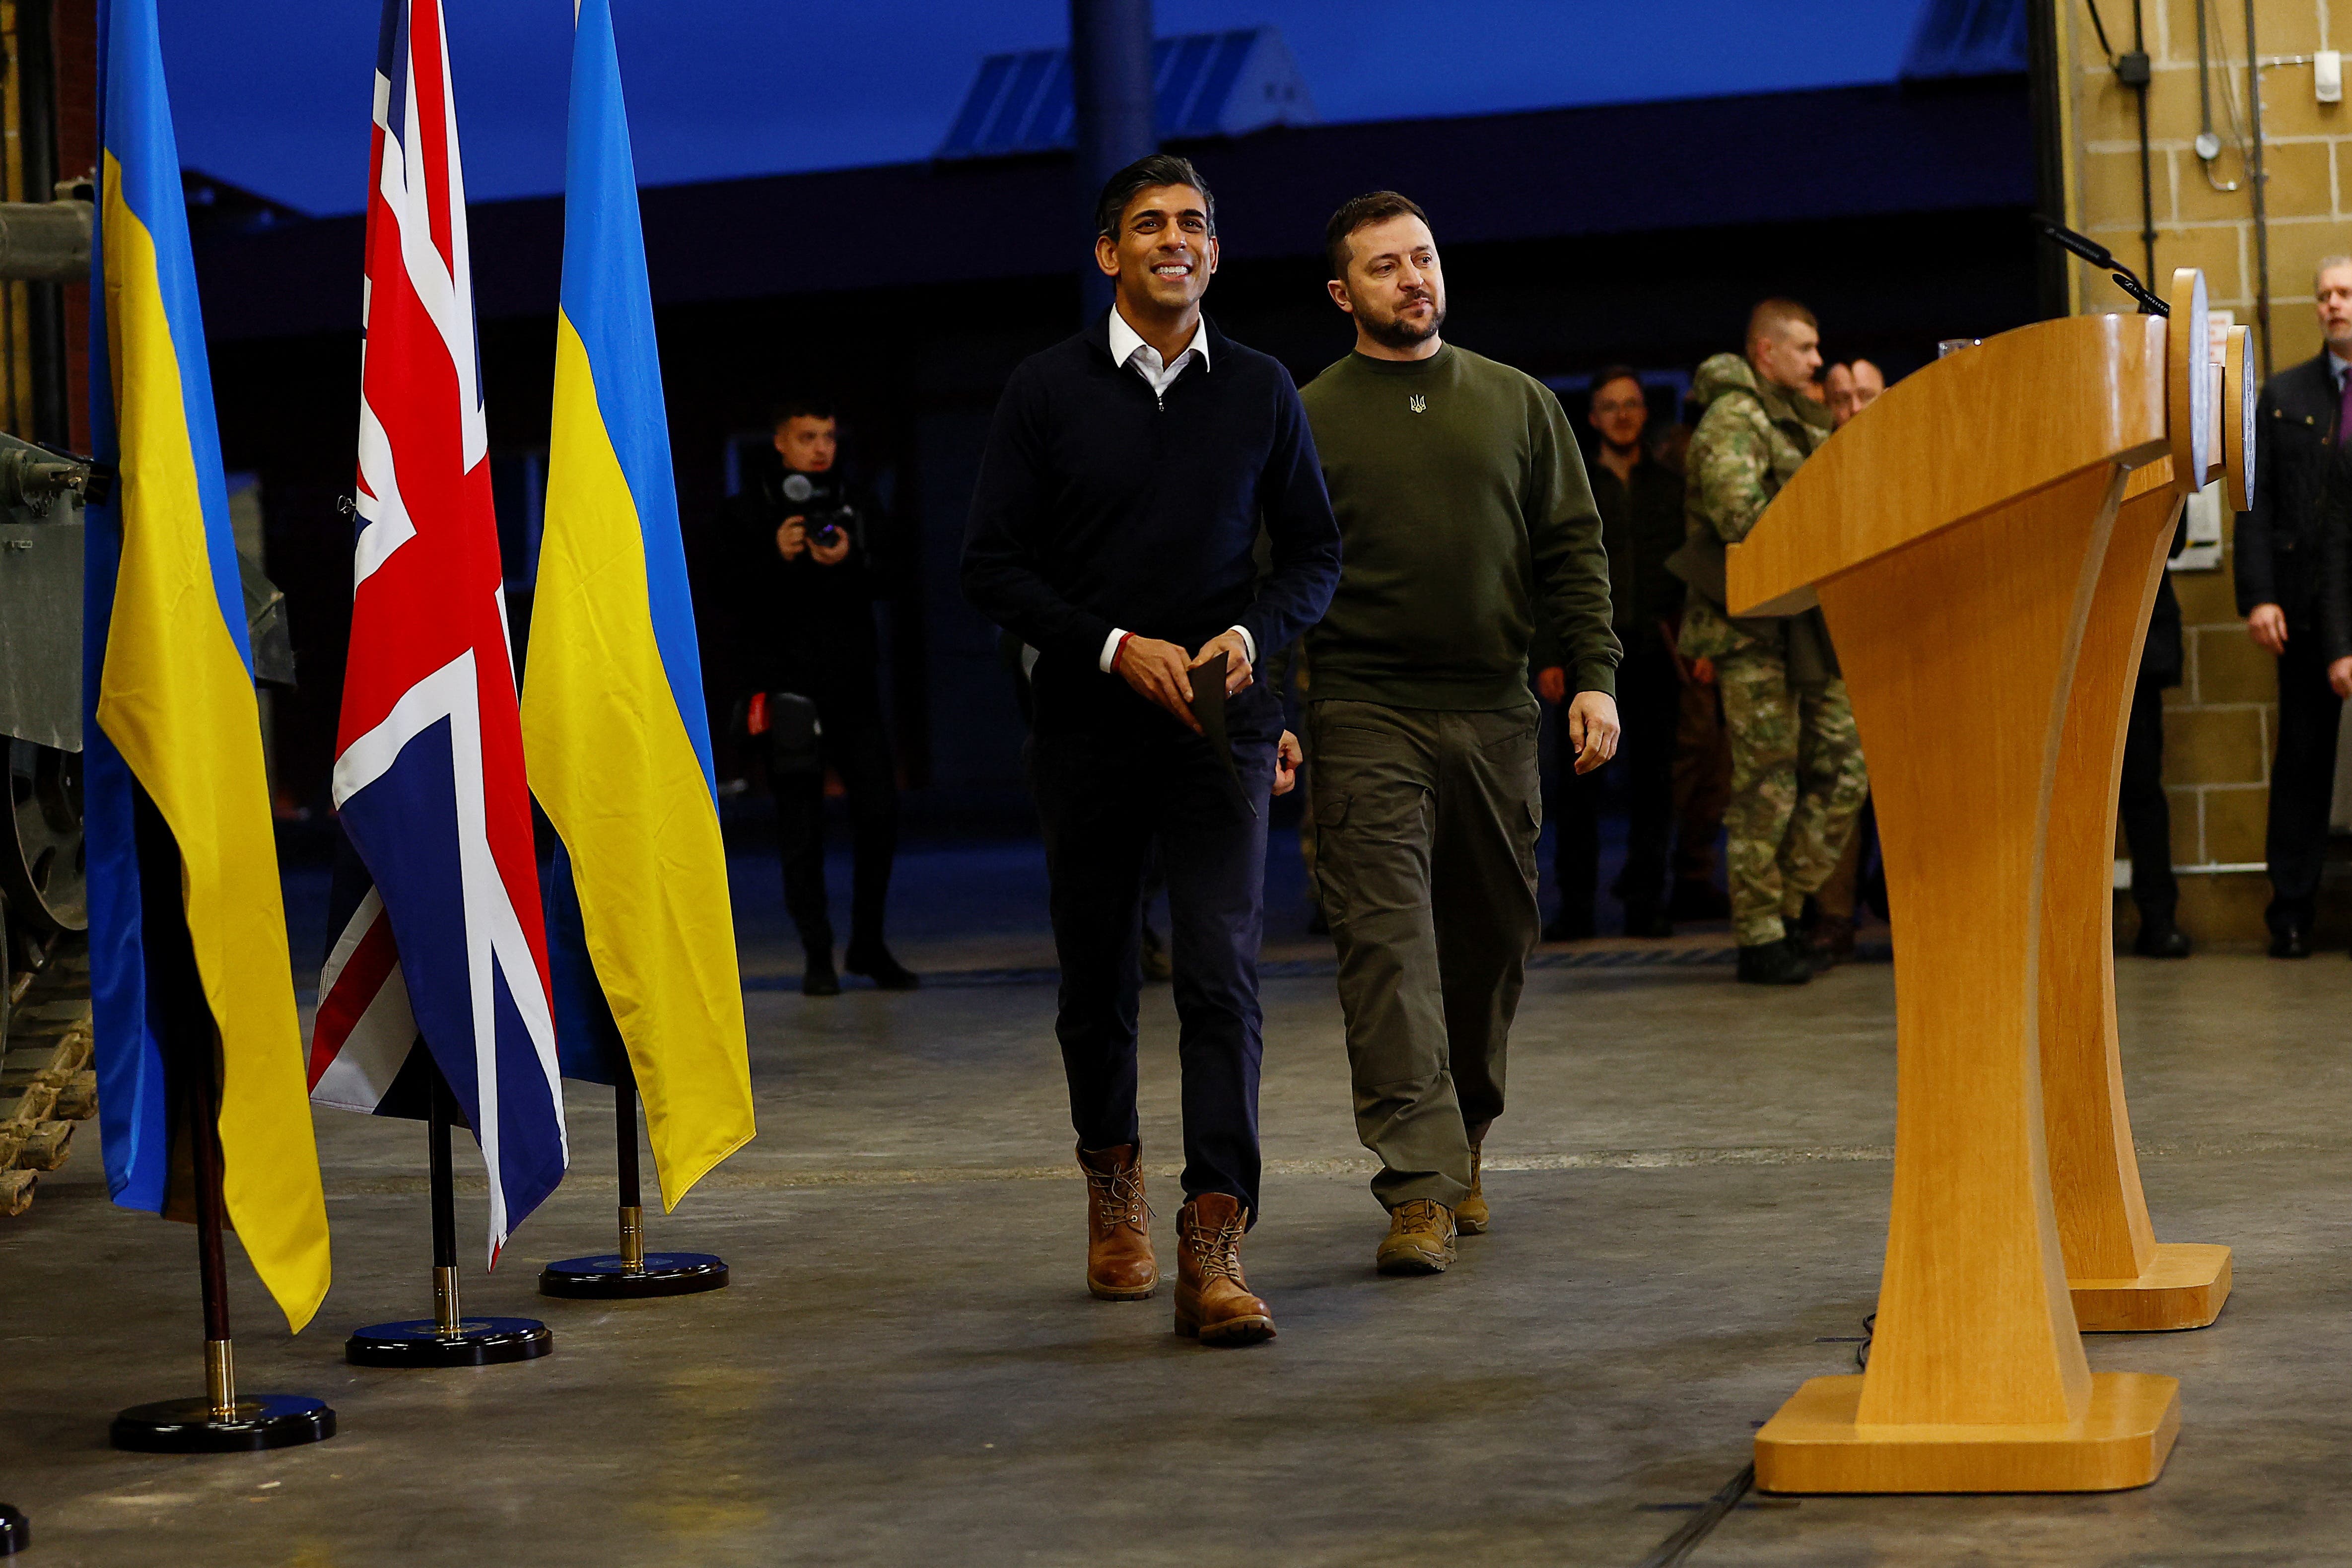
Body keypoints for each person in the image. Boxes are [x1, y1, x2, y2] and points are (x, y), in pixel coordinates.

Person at [962, 154, 1340, 1346]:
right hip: (1083, 723)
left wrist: (1245, 635)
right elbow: (991, 566)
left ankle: (1212, 1234)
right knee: (1097, 977)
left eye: (1191, 224)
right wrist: (1113, 644)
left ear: (1214, 253)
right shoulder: (1043, 390)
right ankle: (1110, 1179)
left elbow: (1314, 557)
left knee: (1223, 972)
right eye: (1147, 224)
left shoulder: (1263, 389)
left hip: (1219, 728)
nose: (1171, 239)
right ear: (1107, 253)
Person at [1300, 191, 1619, 1276]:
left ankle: (1464, 1132)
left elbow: (1571, 551)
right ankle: (1418, 1186)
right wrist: (1280, 715)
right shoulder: (1306, 417)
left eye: (1423, 257)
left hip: (1492, 708)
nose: (1412, 279)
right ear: (1344, 294)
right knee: (1387, 951)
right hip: (1360, 706)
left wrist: (1594, 678)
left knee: (1488, 945)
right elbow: (1278, 574)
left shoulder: (1517, 404)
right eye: (1384, 267)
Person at [1674, 301, 1868, 986]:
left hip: (1806, 621)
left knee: (1844, 768)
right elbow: (1740, 517)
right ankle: (1759, 932)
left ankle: (1785, 906)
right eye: (1806, 348)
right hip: (1753, 627)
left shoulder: (1795, 416)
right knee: (1766, 783)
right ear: (1766, 350)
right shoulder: (1735, 417)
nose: (1817, 361)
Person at [724, 400, 915, 996]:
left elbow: (896, 576)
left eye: (829, 436)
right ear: (780, 441)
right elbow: (725, 594)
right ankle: (816, 953)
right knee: (799, 827)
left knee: (880, 814)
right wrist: (773, 557)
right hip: (789, 688)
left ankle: (867, 943)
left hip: (853, 684)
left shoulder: (853, 503)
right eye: (807, 437)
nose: (820, 449)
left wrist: (850, 556)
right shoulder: (750, 508)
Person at [1537, 367, 1681, 940]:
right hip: (1582, 661)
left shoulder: (1671, 486)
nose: (1622, 415)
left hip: (1653, 654)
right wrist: (1548, 654)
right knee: (1577, 790)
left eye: (1632, 404)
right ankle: (1576, 908)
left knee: (1655, 788)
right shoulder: (1571, 484)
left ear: (1644, 412)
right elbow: (1544, 573)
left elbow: (1687, 577)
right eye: (1610, 406)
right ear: (1593, 417)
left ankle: (1646, 904)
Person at [2246, 257, 2352, 958]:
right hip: (2303, 606)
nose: (2332, 305)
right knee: (2302, 764)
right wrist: (2257, 594)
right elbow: (2254, 505)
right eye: (2323, 296)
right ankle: (2289, 909)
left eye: (2344, 294)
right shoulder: (2283, 392)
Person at [1807, 358, 1890, 964]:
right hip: (1836, 654)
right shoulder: (1813, 472)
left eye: (1864, 395)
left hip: (1912, 653)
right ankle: (1834, 918)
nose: (1852, 409)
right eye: (1839, 399)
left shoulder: (1915, 461)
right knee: (1837, 787)